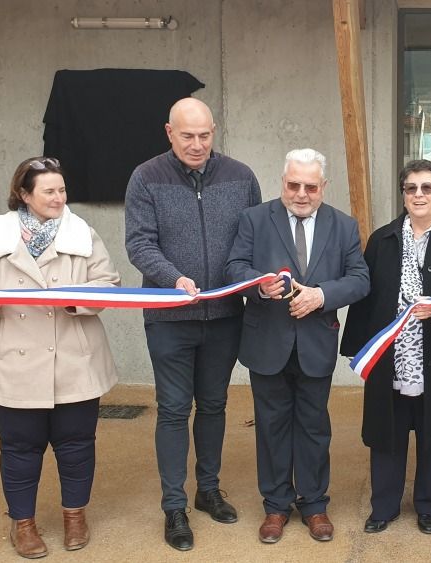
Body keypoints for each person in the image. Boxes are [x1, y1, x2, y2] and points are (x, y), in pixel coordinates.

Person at [0, 157, 120, 559]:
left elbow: (108, 283)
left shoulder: (82, 233)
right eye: (48, 190)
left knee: (77, 444)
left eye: (62, 190)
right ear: (23, 194)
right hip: (15, 358)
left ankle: (74, 517)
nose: (58, 197)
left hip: (74, 357)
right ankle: (24, 525)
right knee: (19, 446)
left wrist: (73, 302)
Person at [125, 98, 262, 551]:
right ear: (169, 132)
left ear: (214, 130)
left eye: (205, 135)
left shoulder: (241, 177)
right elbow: (139, 244)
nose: (198, 145)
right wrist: (173, 278)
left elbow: (254, 238)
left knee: (215, 404)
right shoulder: (146, 177)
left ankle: (208, 490)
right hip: (169, 317)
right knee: (172, 409)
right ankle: (174, 506)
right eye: (188, 136)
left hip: (225, 316)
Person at [225, 148, 369, 544]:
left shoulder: (343, 225)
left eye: (310, 186)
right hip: (267, 340)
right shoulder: (255, 219)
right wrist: (258, 284)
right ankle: (275, 506)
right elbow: (234, 265)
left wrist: (322, 296)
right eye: (293, 185)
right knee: (271, 427)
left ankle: (314, 504)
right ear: (282, 183)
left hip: (315, 342)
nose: (301, 193)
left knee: (314, 426)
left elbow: (360, 278)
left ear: (323, 187)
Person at [341, 159, 431, 536]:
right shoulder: (383, 239)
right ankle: (383, 507)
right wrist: (358, 349)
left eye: (427, 188)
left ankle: (429, 506)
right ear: (403, 194)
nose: (418, 194)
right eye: (411, 188)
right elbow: (366, 299)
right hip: (392, 357)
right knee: (387, 433)